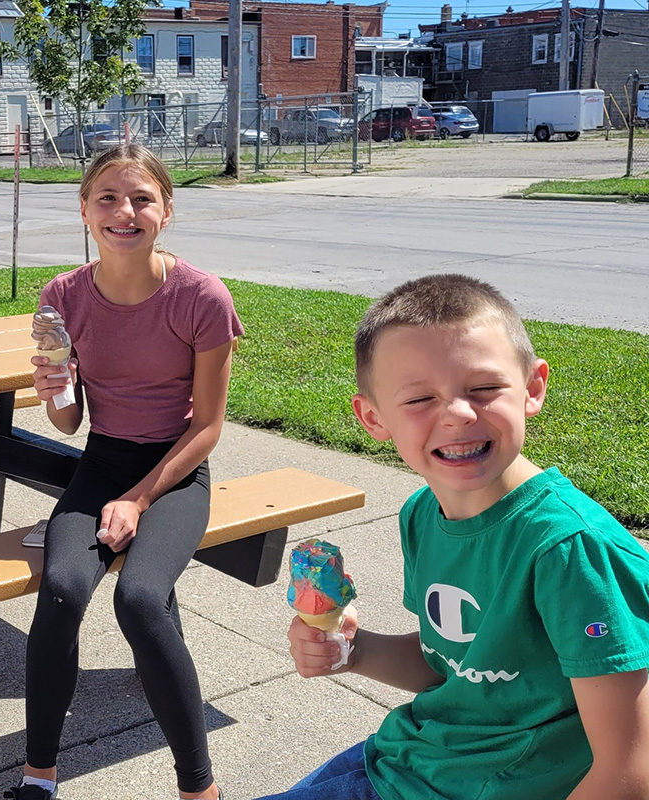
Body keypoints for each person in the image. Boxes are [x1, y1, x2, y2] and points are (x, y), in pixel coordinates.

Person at [265, 274, 649, 800]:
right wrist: (354, 650)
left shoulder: (571, 550)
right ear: (374, 417)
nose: (458, 414)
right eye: (420, 398)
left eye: (485, 388)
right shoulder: (423, 514)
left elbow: (631, 769)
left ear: (533, 388)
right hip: (408, 757)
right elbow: (454, 668)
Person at [7, 145, 243, 800]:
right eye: (107, 198)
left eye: (141, 198)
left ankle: (200, 788)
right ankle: (39, 777)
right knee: (60, 592)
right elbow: (68, 422)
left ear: (166, 211)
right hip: (103, 461)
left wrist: (138, 500)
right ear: (85, 211)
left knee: (139, 598)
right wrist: (54, 390)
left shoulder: (202, 298)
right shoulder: (61, 296)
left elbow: (207, 430)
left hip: (175, 471)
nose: (124, 211)